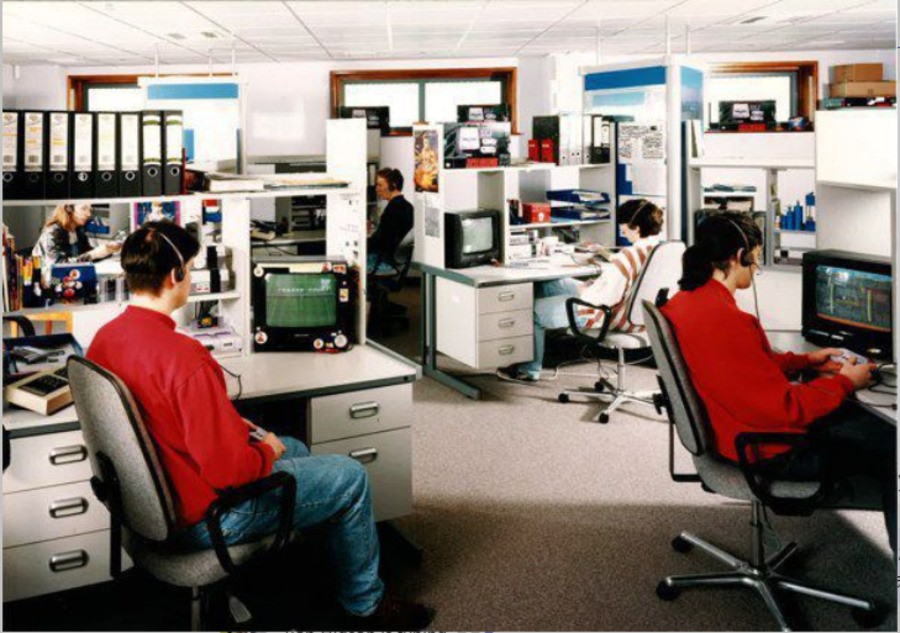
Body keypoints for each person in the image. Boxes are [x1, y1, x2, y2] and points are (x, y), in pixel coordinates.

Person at [86, 221, 433, 629]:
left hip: (148, 505)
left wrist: (232, 426)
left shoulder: (105, 339)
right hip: (203, 518)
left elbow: (161, 419)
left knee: (298, 450)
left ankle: (309, 570)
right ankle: (366, 605)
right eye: (192, 268)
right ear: (177, 275)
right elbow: (229, 473)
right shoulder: (186, 359)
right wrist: (264, 449)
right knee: (350, 477)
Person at [661, 211, 896, 551]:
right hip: (768, 450)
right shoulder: (729, 320)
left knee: (866, 424)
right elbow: (786, 409)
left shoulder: (688, 302)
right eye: (755, 261)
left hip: (731, 430)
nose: (756, 269)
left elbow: (743, 365)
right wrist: (846, 382)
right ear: (739, 257)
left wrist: (805, 361)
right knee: (892, 443)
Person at [497, 198, 664, 383]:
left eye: (623, 227)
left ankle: (528, 371)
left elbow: (603, 298)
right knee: (550, 284)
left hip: (608, 314)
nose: (622, 230)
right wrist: (600, 273)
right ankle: (536, 353)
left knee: (531, 310)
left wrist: (585, 288)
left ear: (636, 228)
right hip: (642, 318)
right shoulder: (659, 250)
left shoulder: (628, 256)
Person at [32, 203, 121, 272]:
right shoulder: (52, 232)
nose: (89, 214)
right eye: (84, 208)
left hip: (70, 278)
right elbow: (57, 266)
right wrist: (94, 254)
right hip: (50, 281)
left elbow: (86, 255)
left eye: (90, 209)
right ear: (69, 208)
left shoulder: (78, 230)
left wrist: (107, 250)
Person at [368, 168, 413, 275]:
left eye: (380, 185)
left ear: (393, 185)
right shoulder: (408, 207)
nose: (376, 189)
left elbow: (381, 241)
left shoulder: (394, 209)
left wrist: (361, 245)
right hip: (392, 260)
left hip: (382, 261)